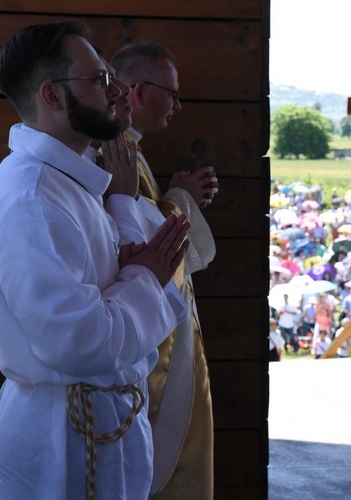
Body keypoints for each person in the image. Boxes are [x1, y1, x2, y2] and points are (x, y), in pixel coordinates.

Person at [0, 21, 192, 499]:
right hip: (61, 438)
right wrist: (146, 276)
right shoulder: (30, 194)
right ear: (52, 96)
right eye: (99, 80)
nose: (119, 91)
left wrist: (127, 263)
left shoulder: (68, 182)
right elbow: (77, 340)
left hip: (97, 419)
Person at [110, 40, 218, 499]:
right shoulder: (110, 153)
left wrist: (174, 194)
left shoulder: (130, 151)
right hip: (143, 338)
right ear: (137, 90)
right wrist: (180, 199)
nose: (176, 105)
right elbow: (144, 243)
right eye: (171, 93)